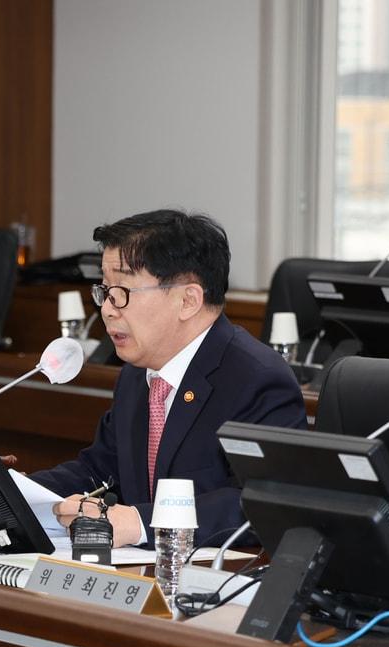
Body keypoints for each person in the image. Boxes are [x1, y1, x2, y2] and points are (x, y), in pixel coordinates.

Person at [30, 210, 307, 548]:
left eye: (122, 291)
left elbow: (261, 503)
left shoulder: (257, 379)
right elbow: (101, 470)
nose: (107, 309)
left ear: (188, 300)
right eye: (105, 290)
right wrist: (14, 492)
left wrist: (140, 523)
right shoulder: (136, 375)